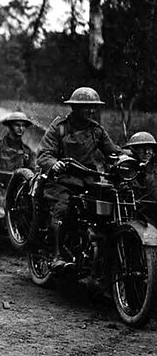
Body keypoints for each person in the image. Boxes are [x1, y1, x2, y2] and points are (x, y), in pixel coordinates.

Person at [36, 87, 121, 270]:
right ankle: (56, 255)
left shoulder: (97, 130)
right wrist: (54, 163)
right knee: (61, 208)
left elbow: (113, 152)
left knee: (109, 205)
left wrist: (126, 159)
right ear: (74, 107)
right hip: (61, 179)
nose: (90, 111)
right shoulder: (59, 127)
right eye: (85, 107)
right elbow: (44, 154)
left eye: (93, 107)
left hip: (87, 179)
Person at [124, 131, 157, 203]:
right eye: (142, 149)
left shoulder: (154, 167)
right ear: (134, 150)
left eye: (149, 149)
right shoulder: (126, 167)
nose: (146, 152)